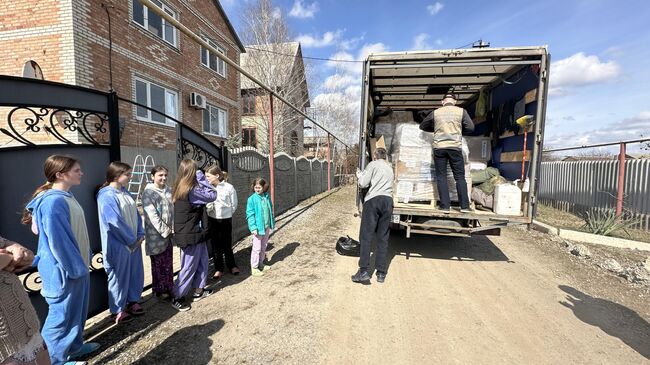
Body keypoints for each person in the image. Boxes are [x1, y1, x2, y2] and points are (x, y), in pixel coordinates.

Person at [23, 155, 99, 364]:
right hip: (64, 272)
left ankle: (73, 347)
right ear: (60, 174)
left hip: (77, 268)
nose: (81, 173)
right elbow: (59, 242)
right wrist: (76, 269)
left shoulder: (65, 196)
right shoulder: (53, 201)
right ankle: (54, 360)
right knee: (60, 318)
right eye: (76, 170)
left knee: (76, 313)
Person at [96, 162, 145, 324]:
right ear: (117, 176)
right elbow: (113, 222)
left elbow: (137, 215)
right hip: (119, 244)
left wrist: (140, 233)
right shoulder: (106, 195)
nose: (130, 178)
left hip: (134, 243)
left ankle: (133, 300)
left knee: (134, 272)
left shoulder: (125, 192)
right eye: (128, 175)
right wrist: (131, 240)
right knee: (119, 276)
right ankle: (117, 309)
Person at [170, 159, 217, 311]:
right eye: (196, 170)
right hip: (189, 233)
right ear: (192, 172)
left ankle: (199, 290)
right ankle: (177, 296)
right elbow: (212, 194)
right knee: (189, 266)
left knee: (203, 260)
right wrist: (202, 177)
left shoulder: (181, 186)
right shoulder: (191, 189)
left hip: (194, 232)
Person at [419, 93, 475, 213]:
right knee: (460, 177)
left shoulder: (436, 112)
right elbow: (471, 128)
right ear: (454, 101)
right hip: (455, 147)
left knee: (441, 177)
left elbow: (422, 126)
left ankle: (445, 206)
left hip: (439, 148)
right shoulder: (461, 111)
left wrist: (435, 129)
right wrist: (459, 130)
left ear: (442, 101)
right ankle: (464, 206)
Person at [0, 236, 51, 365]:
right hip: (4, 346)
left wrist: (16, 248)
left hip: (25, 326)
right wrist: (7, 258)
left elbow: (4, 243)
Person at [352, 147, 394, 284]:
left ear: (375, 156)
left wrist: (359, 175)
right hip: (388, 202)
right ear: (385, 156)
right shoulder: (390, 167)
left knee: (366, 236)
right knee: (383, 237)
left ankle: (363, 271)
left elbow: (363, 183)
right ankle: (381, 273)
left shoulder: (372, 165)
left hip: (373, 201)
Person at [141, 165, 174, 301]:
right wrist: (166, 230)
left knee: (168, 262)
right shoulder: (148, 193)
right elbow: (152, 216)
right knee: (159, 264)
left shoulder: (168, 190)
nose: (163, 178)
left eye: (165, 175)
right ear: (152, 176)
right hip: (156, 235)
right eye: (160, 175)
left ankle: (168, 287)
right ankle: (160, 290)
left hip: (169, 234)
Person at [205, 169, 240, 280]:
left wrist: (227, 214)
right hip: (212, 219)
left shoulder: (228, 187)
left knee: (227, 244)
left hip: (225, 219)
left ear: (216, 175)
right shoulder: (207, 188)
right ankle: (219, 268)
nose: (207, 179)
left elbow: (234, 204)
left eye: (208, 176)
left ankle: (232, 265)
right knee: (216, 245)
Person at [245, 178, 274, 277]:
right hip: (258, 229)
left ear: (264, 187)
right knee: (256, 248)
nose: (257, 189)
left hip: (266, 227)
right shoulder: (252, 199)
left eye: (259, 187)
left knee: (263, 246)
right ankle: (254, 267)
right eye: (255, 187)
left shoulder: (266, 196)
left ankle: (261, 264)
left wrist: (271, 222)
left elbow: (269, 210)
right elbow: (250, 214)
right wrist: (253, 228)